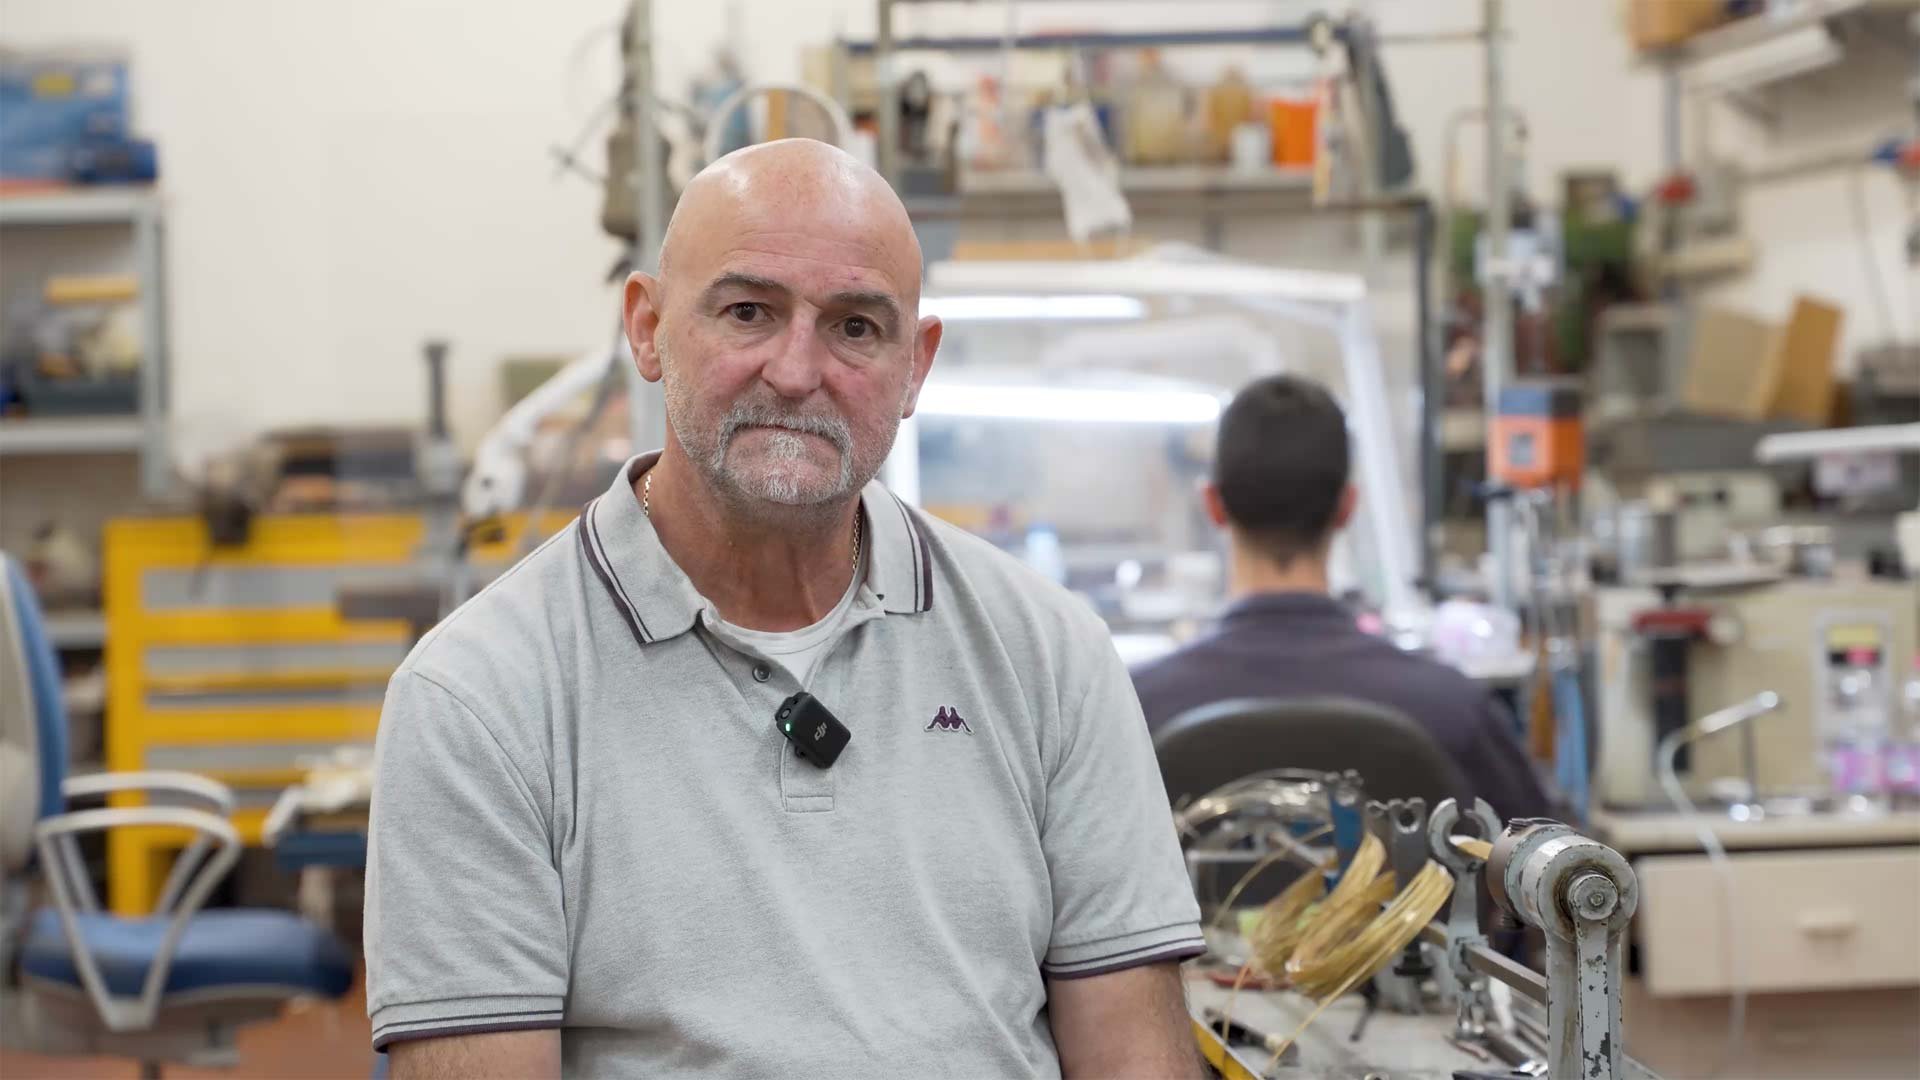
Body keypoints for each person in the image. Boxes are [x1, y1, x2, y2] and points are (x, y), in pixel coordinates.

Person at [364, 139, 1206, 1079]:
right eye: (748, 311)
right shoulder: (479, 698)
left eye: (855, 327)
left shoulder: (1051, 657)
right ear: (646, 328)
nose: (797, 371)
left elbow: (1136, 1054)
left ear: (916, 365)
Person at [1131, 374, 1551, 822]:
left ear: (1213, 505)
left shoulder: (1135, 712)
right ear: (1347, 507)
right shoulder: (1452, 710)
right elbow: (1553, 872)